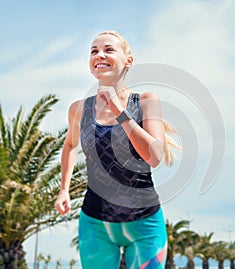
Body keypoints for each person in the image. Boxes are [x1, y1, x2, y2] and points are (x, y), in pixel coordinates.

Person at [54, 30, 179, 269]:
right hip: (95, 223)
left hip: (144, 223)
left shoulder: (145, 101)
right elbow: (70, 144)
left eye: (109, 49)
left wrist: (120, 112)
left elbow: (154, 156)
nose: (99, 55)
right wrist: (63, 189)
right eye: (94, 51)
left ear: (128, 61)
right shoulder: (78, 109)